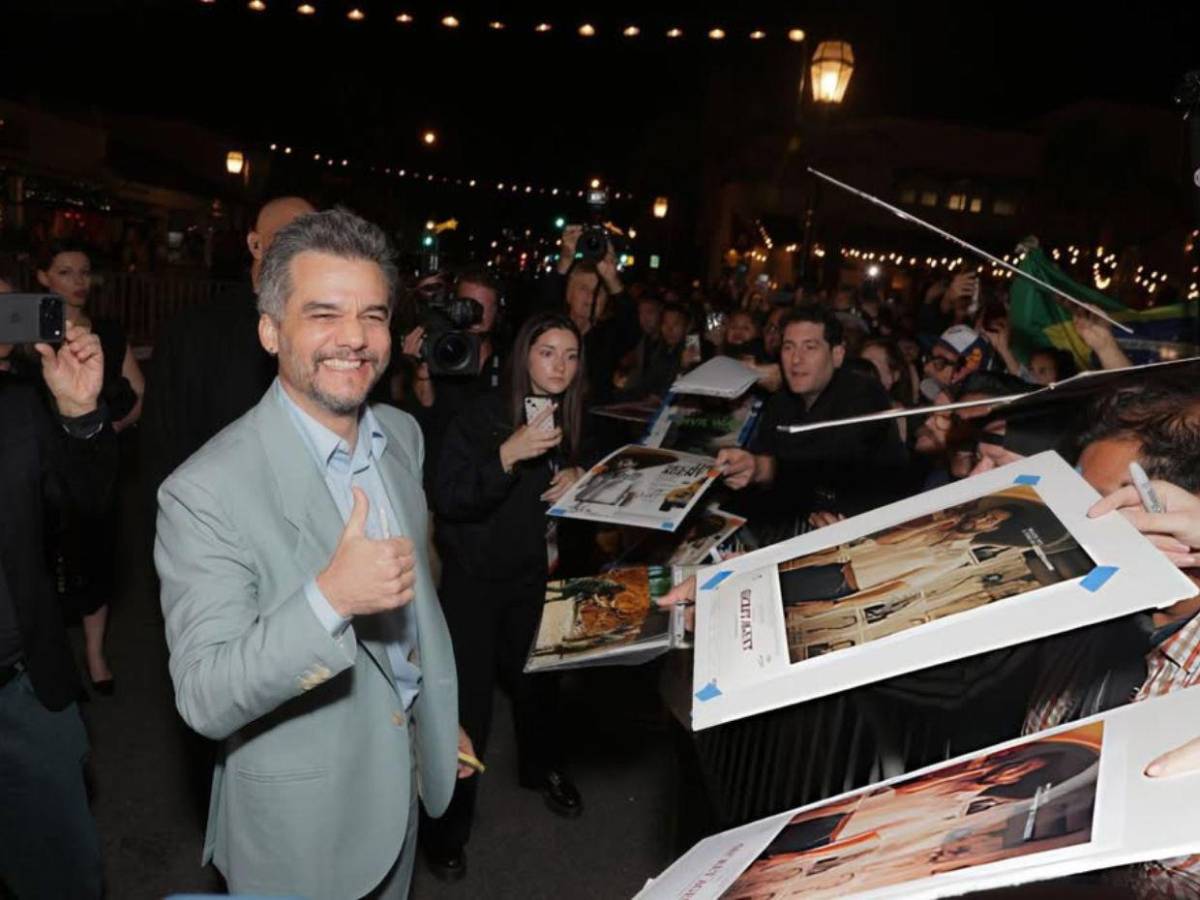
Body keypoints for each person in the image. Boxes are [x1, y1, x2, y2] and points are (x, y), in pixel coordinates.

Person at [155, 208, 474, 898]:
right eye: (324, 314)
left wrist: (429, 717)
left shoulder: (400, 436)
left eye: (374, 315)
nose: (355, 339)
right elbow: (205, 695)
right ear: (271, 329)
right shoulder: (203, 491)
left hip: (400, 789)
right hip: (301, 833)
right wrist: (330, 599)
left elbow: (413, 609)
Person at [422, 311, 589, 879]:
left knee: (539, 686)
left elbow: (588, 475)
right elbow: (448, 498)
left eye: (570, 355)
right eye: (547, 353)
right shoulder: (480, 416)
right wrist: (506, 455)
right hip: (473, 581)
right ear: (523, 356)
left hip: (531, 578)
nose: (560, 366)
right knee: (466, 708)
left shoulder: (571, 413)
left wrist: (580, 476)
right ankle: (446, 828)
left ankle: (543, 769)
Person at [0, 317, 114, 899]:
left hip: (22, 694)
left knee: (65, 883)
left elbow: (88, 507)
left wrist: (79, 414)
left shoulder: (19, 407)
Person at [140, 196, 315, 504]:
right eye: (290, 237)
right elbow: (162, 445)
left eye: (315, 239)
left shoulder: (327, 331)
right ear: (255, 244)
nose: (304, 248)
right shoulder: (192, 330)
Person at [36, 240, 142, 693]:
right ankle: (47, 652)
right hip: (44, 471)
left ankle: (96, 655)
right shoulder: (29, 335)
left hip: (98, 466)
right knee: (43, 558)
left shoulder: (110, 332)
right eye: (65, 272)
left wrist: (98, 430)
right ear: (43, 278)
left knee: (99, 555)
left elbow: (137, 395)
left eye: (83, 271)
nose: (78, 281)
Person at [717, 305, 910, 538]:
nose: (796, 359)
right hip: (798, 526)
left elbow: (825, 458)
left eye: (810, 347)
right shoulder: (781, 401)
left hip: (872, 532)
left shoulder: (863, 393)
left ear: (837, 355)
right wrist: (743, 468)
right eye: (788, 347)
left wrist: (762, 468)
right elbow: (768, 464)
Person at [401, 266, 505, 489]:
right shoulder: (439, 350)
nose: (475, 314)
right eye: (468, 305)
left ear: (497, 311)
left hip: (492, 486)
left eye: (483, 307)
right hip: (441, 482)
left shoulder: (510, 361)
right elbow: (420, 419)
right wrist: (420, 371)